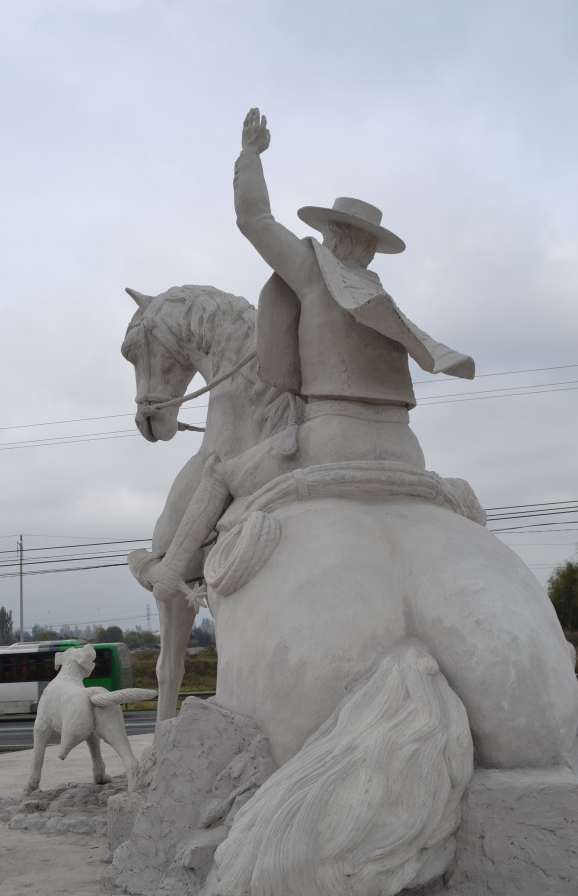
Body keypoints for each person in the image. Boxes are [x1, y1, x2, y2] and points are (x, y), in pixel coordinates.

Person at [144, 109, 476, 602]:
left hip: (333, 437)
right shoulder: (379, 295)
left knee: (219, 473)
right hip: (406, 447)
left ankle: (171, 574)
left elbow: (253, 218)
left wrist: (250, 155)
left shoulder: (312, 270)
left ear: (333, 236)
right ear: (368, 247)